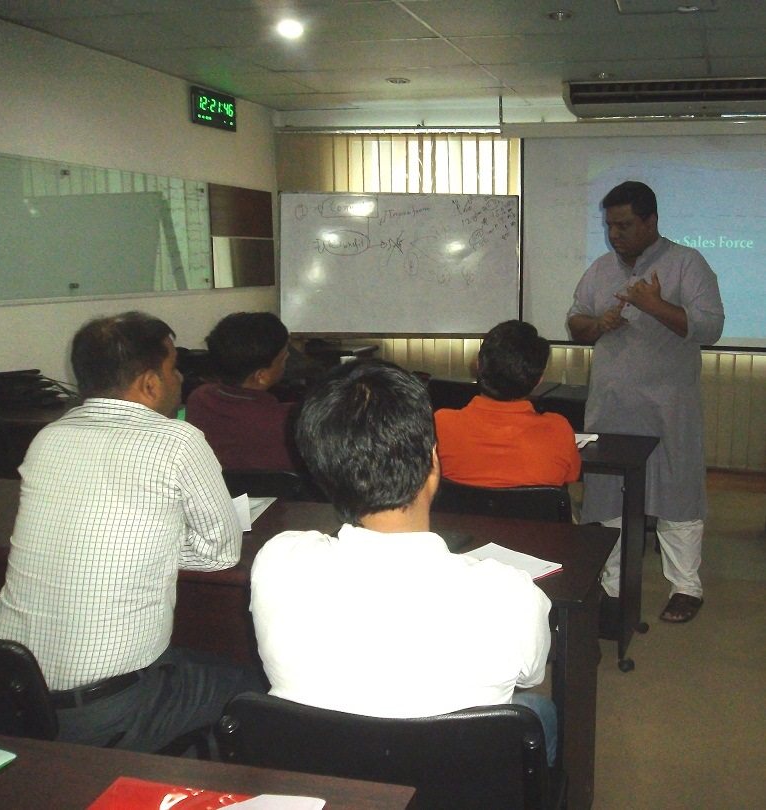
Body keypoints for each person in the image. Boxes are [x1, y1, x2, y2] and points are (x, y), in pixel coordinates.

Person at [250, 361, 556, 765]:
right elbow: (530, 678)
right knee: (540, 710)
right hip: (457, 785)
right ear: (433, 463)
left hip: (328, 784)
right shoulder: (511, 594)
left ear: (323, 475)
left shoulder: (277, 560)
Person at [0, 311, 264, 752]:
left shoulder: (49, 438)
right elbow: (219, 553)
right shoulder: (177, 441)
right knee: (254, 683)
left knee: (190, 657)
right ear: (150, 383)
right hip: (111, 708)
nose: (180, 377)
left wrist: (130, 542)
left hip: (16, 694)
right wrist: (145, 545)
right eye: (174, 366)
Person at [567, 181, 724, 625]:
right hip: (612, 406)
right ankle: (611, 584)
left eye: (624, 225)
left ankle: (685, 587)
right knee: (607, 497)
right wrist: (598, 323)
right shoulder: (600, 269)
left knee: (677, 493)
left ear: (651, 221)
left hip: (669, 407)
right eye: (609, 225)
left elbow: (710, 328)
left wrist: (654, 306)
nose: (614, 234)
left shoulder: (687, 264)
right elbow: (576, 321)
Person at [435, 320, 581, 488]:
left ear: (478, 365)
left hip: (459, 515)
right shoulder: (559, 431)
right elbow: (572, 476)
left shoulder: (440, 425)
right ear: (538, 381)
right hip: (532, 515)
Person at [185, 312, 296, 471]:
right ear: (261, 376)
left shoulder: (199, 399)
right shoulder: (289, 421)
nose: (288, 358)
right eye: (284, 358)